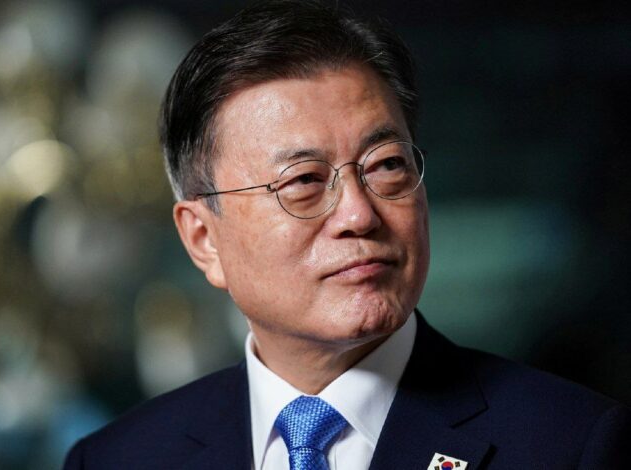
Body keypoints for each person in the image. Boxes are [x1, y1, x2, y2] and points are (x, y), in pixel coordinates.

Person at [64, 1, 630, 468]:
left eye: (387, 165)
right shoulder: (116, 459)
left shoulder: (575, 444)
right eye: (304, 181)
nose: (360, 214)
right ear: (203, 239)